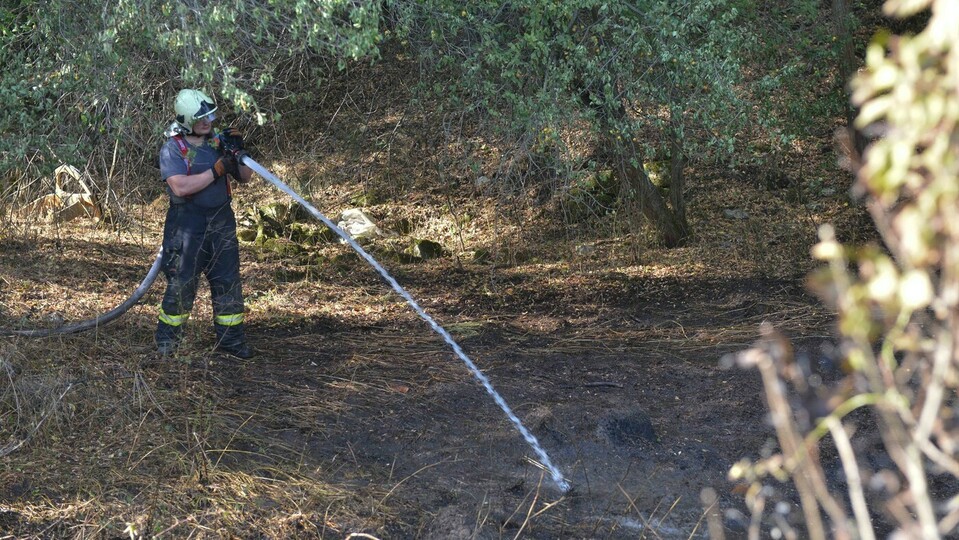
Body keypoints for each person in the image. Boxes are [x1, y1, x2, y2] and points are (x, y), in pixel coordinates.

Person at [154, 88, 254, 359]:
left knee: (227, 281)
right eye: (200, 118)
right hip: (187, 226)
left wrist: (239, 152)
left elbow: (245, 177)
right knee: (182, 283)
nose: (207, 121)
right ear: (186, 119)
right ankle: (168, 342)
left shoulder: (217, 144)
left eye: (209, 115)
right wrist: (215, 171)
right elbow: (181, 187)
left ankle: (231, 341)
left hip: (221, 221)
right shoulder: (174, 149)